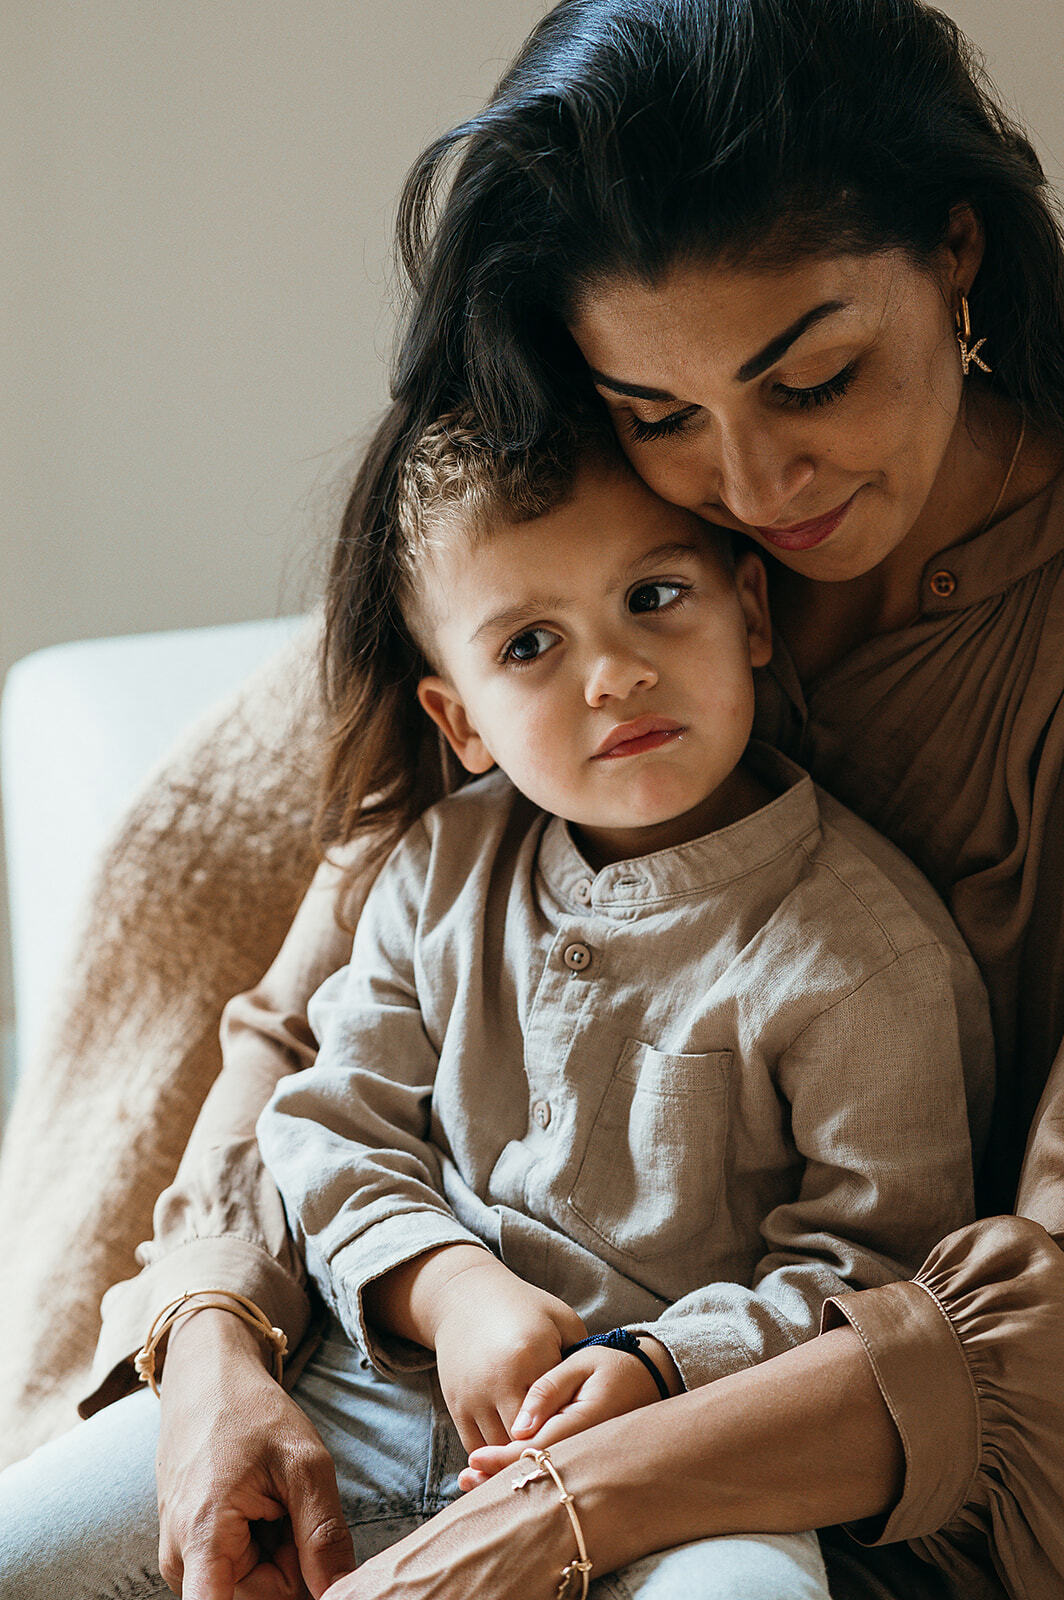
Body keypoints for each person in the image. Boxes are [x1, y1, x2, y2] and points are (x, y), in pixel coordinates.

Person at [2, 0, 1063, 1596]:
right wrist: (212, 1348)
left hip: (758, 1436)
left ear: (959, 252)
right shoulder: (579, 548)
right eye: (661, 418)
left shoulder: (874, 918)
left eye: (819, 378)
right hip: (395, 1361)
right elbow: (317, 1046)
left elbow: (1015, 1304)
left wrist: (572, 1488)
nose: (756, 494)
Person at [252, 413, 989, 1599]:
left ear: (750, 610)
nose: (613, 672)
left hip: (690, 1457)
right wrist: (451, 1289)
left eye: (652, 596)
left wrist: (657, 1365)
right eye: (531, 643)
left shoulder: (862, 952)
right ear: (461, 722)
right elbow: (329, 1122)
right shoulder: (439, 873)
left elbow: (882, 1270)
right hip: (377, 1394)